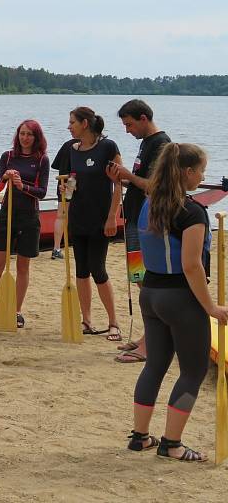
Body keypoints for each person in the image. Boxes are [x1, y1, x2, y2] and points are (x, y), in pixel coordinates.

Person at [128, 142, 228, 461]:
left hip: (150, 294)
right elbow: (191, 265)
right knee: (193, 371)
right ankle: (172, 444)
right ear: (187, 172)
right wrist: (211, 307)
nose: (202, 176)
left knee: (155, 365)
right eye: (200, 170)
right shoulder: (193, 211)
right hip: (180, 300)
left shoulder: (148, 203)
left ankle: (140, 437)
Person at [107, 99, 170, 364]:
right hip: (134, 217)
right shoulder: (146, 143)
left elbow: (155, 186)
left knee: (149, 282)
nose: (127, 130)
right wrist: (118, 178)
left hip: (147, 222)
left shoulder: (162, 145)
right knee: (140, 279)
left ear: (143, 118)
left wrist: (128, 177)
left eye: (129, 124)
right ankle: (149, 336)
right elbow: (137, 181)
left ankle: (152, 341)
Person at [0, 120, 49, 330]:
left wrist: (21, 185)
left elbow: (42, 193)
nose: (25, 138)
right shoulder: (7, 157)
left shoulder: (42, 160)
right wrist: (6, 177)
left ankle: (16, 311)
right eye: (22, 134)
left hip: (29, 217)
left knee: (22, 267)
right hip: (6, 215)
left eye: (30, 134)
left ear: (36, 138)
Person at [65, 106, 122, 340]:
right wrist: (66, 188)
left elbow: (119, 184)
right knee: (81, 271)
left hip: (100, 219)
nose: (69, 126)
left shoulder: (108, 147)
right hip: (78, 217)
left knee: (98, 269)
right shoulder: (72, 149)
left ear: (85, 124)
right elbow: (71, 181)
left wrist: (112, 217)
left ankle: (113, 323)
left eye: (72, 122)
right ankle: (86, 321)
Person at [50, 138, 78, 259]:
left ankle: (56, 247)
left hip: (63, 180)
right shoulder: (87, 145)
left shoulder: (67, 144)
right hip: (74, 180)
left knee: (61, 216)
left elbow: (55, 164)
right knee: (71, 215)